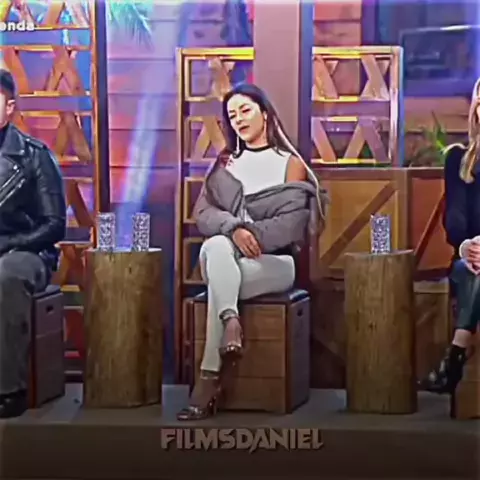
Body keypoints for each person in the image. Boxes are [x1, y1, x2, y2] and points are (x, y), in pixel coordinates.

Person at [177, 83, 328, 420]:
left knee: (219, 273)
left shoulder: (290, 164)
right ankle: (230, 325)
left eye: (245, 110)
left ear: (265, 114)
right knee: (217, 245)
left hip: (275, 264)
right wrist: (235, 229)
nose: (239, 120)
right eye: (232, 116)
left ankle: (208, 377)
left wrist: (246, 234)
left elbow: (290, 225)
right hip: (226, 259)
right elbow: (203, 214)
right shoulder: (226, 165)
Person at [0, 69, 66, 418]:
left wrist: (9, 243)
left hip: (27, 252)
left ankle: (10, 389)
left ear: (9, 107)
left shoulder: (34, 155)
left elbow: (54, 224)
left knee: (6, 276)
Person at [419, 77, 480, 396]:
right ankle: (455, 360)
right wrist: (467, 245)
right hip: (470, 259)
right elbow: (454, 217)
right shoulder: (459, 158)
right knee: (472, 271)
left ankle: (454, 358)